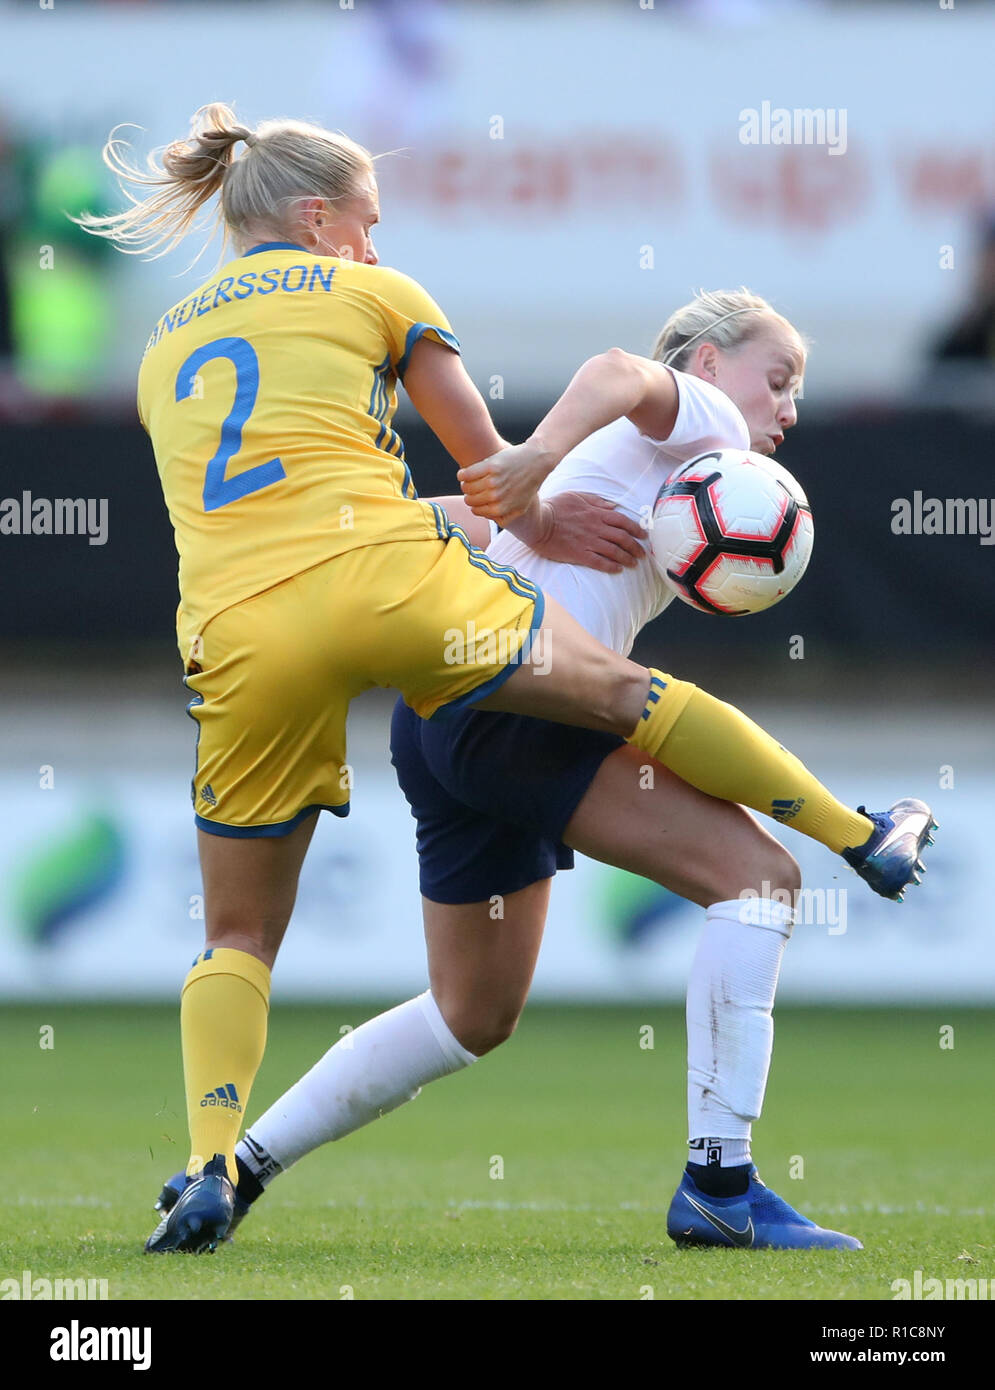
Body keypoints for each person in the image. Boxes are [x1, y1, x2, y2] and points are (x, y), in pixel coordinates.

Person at [76, 104, 933, 1254]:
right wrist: (520, 474)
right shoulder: (692, 415)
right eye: (778, 376)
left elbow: (318, 507)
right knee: (753, 872)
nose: (780, 408)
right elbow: (609, 375)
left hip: (291, 652)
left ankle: (223, 1161)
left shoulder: (164, 347)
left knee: (451, 1005)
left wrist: (511, 503)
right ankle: (742, 1132)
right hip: (471, 671)